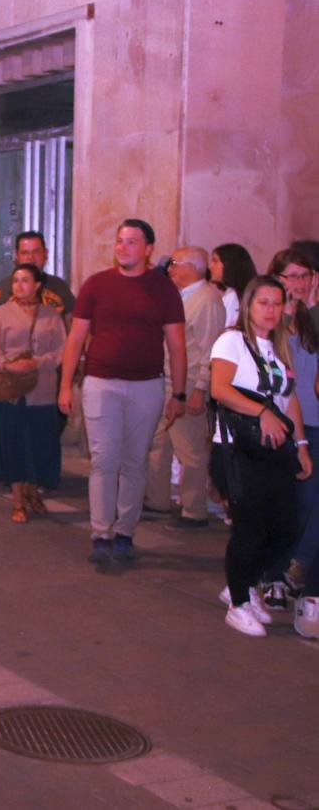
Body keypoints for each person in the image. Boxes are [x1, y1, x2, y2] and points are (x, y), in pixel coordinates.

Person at [59, 220, 187, 564]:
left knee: (134, 461)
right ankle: (101, 531)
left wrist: (179, 393)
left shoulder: (163, 290)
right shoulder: (96, 285)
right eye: (119, 241)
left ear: (148, 249)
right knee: (104, 460)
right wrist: (65, 384)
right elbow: (75, 339)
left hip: (147, 385)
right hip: (102, 383)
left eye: (132, 242)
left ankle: (125, 531)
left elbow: (176, 345)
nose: (123, 247)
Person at [208, 276, 310, 638]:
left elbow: (289, 399)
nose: (270, 310)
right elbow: (219, 389)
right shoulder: (232, 341)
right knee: (249, 527)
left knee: (284, 525)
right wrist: (260, 412)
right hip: (236, 450)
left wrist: (300, 446)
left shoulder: (279, 348)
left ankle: (245, 582)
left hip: (273, 452)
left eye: (276, 303)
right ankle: (237, 602)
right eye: (262, 302)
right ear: (249, 305)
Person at [144, 247, 226, 528]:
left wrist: (200, 389)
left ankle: (194, 509)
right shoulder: (181, 297)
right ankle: (158, 500)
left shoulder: (207, 301)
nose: (170, 268)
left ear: (193, 267)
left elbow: (210, 350)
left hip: (189, 383)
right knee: (158, 441)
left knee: (189, 449)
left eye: (175, 263)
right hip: (166, 380)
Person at [0, 264, 68, 522]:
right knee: (13, 444)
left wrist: (38, 362)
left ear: (37, 284)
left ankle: (35, 492)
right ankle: (18, 501)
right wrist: (9, 365)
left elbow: (62, 350)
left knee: (41, 443)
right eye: (16, 280)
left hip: (42, 389)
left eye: (25, 280)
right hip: (10, 388)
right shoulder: (1, 314)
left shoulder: (51, 315)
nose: (19, 285)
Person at [261, 250, 319, 622]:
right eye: (290, 277)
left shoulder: (314, 317)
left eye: (304, 276)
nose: (297, 284)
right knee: (284, 503)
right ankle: (273, 576)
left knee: (311, 502)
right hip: (281, 423)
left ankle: (299, 566)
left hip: (315, 423)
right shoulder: (271, 316)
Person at [0, 231, 75, 318]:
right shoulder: (4, 288)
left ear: (45, 253)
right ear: (17, 256)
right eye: (25, 253)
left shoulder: (59, 287)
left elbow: (74, 322)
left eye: (36, 252)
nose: (31, 258)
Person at [210, 243, 257, 329]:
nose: (210, 266)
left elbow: (224, 330)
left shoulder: (233, 297)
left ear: (229, 264)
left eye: (215, 261)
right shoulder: (233, 294)